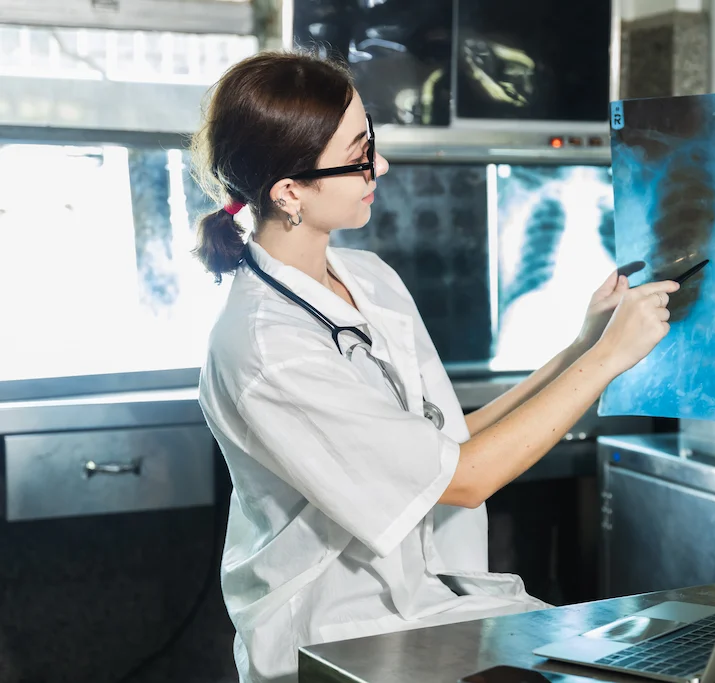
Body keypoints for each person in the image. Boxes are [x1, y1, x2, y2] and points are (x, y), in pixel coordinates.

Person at [191, 51, 679, 683]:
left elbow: (448, 444)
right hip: (332, 636)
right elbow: (466, 480)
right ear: (289, 192)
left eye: (374, 143)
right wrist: (613, 359)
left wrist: (583, 346)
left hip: (431, 609)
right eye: (359, 154)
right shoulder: (264, 347)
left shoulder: (369, 278)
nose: (380, 166)